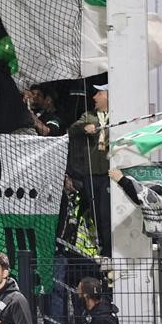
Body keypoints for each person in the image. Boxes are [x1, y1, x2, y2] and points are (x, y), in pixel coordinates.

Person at [68, 83, 112, 257]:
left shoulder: (119, 115)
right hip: (91, 174)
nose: (94, 97)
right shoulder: (89, 116)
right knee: (96, 214)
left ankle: (110, 251)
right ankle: (102, 248)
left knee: (107, 214)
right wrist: (83, 127)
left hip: (110, 174)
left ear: (108, 95)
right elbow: (72, 129)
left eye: (99, 93)